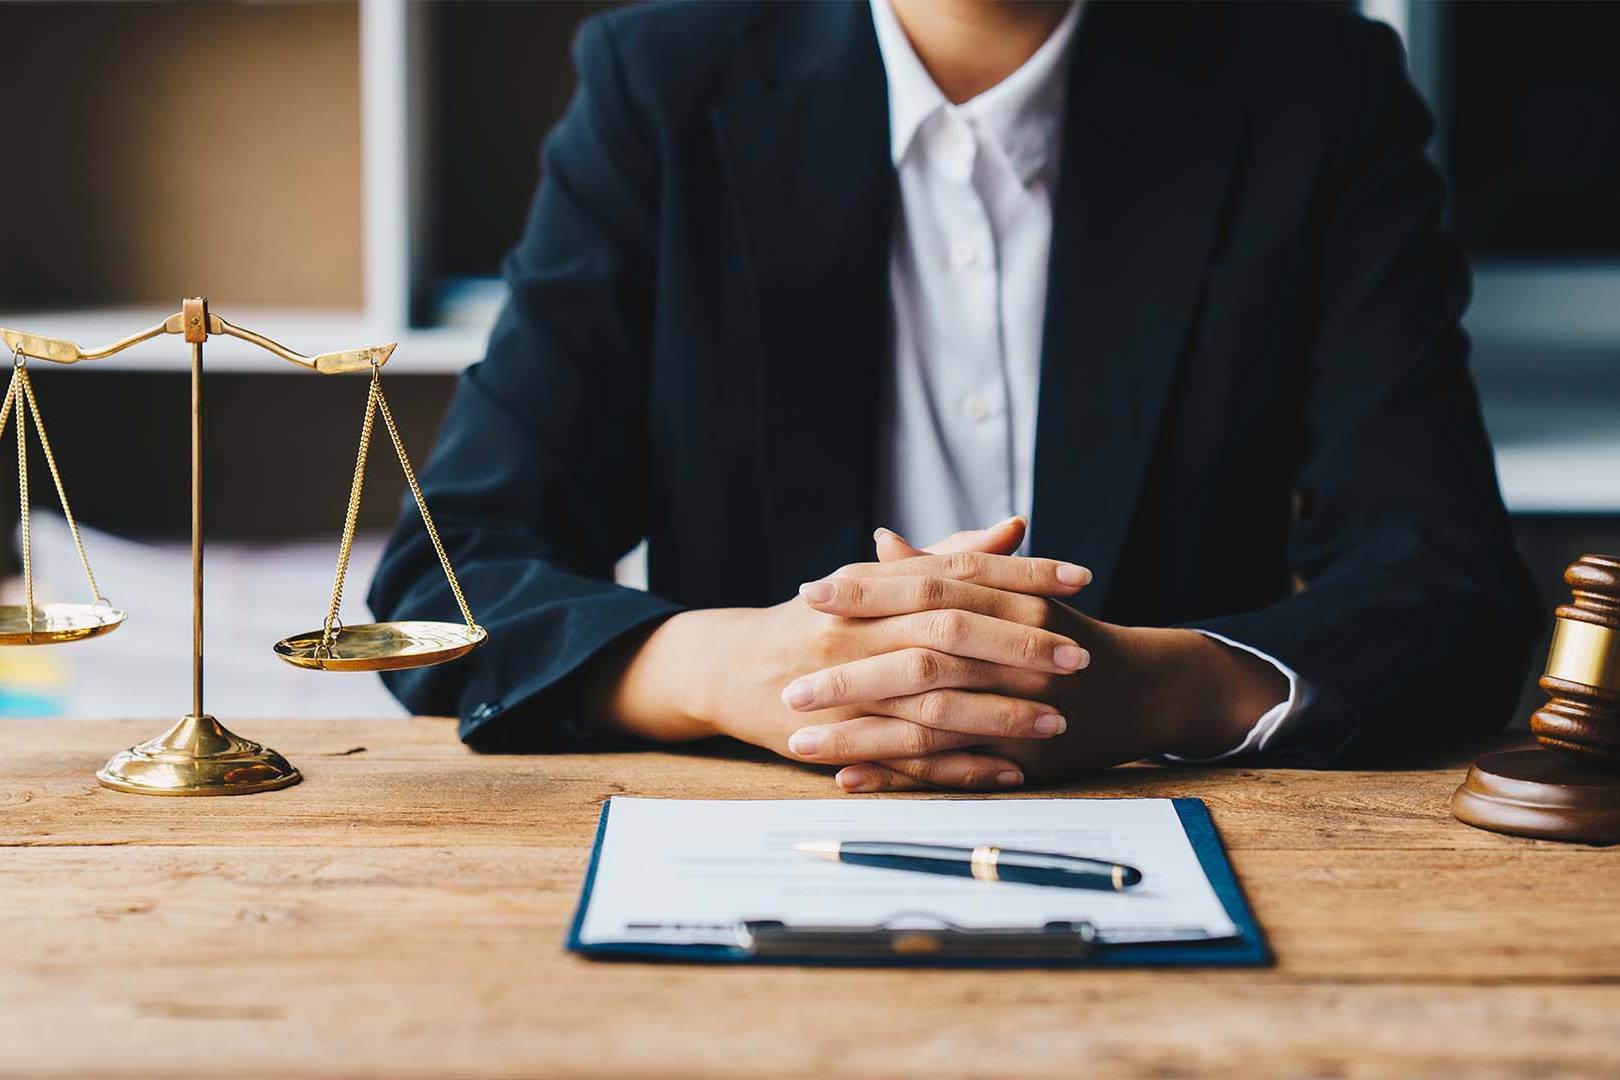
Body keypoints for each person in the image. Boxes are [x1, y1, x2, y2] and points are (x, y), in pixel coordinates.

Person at [369, 0, 1541, 792]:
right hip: (740, 832)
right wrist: (734, 670)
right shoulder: (663, 81)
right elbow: (443, 571)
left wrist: (1158, 689)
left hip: (1194, 823)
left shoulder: (1313, 86)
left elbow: (1451, 586)